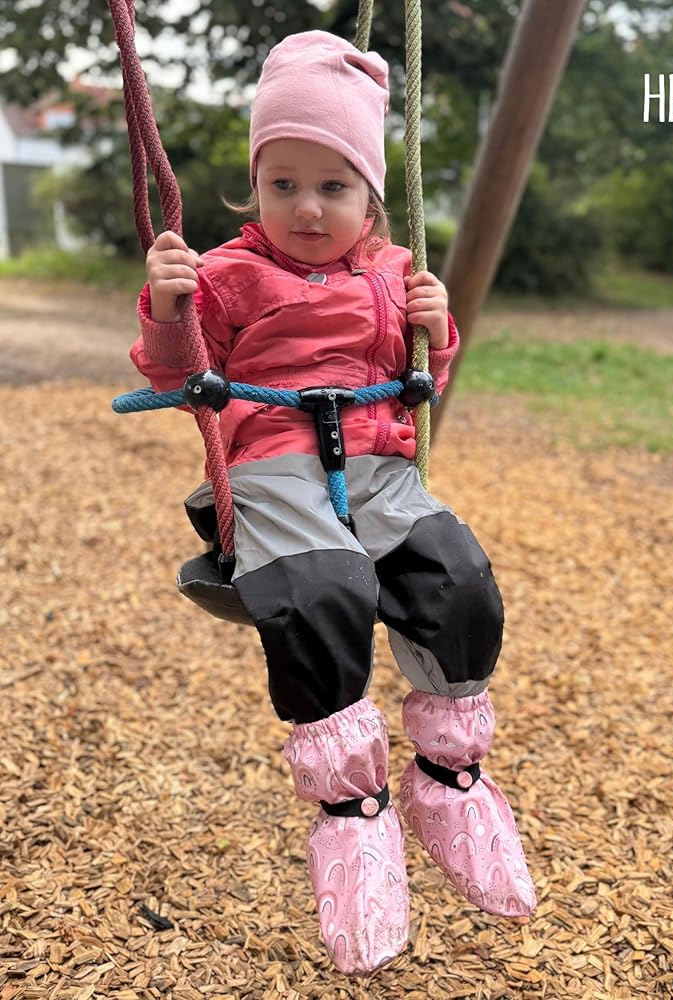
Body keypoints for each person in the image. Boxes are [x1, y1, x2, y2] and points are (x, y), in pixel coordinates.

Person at [130, 30, 536, 976]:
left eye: (333, 186)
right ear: (255, 187)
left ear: (370, 197)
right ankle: (352, 815)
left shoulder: (394, 273)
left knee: (458, 580)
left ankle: (450, 781)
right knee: (325, 590)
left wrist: (437, 333)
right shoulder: (227, 274)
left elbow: (420, 380)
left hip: (378, 465)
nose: (307, 207)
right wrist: (167, 307)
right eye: (284, 184)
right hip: (273, 466)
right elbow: (174, 373)